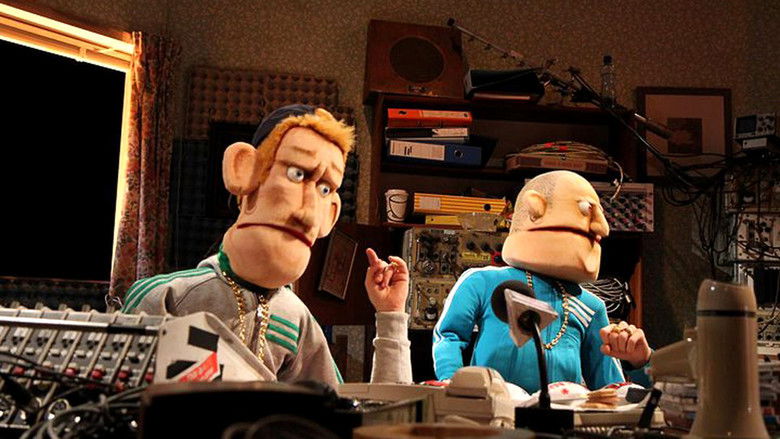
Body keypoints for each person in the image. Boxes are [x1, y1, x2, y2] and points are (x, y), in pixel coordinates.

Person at [121, 105, 411, 386]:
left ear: (332, 213)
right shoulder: (166, 297)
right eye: (297, 174)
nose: (309, 212)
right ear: (244, 170)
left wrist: (391, 315)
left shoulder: (297, 321)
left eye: (325, 189)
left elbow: (347, 411)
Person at [433, 170, 651, 392]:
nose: (602, 228)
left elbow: (612, 389)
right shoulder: (483, 281)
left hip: (559, 412)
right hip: (489, 406)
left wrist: (640, 363)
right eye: (586, 210)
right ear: (536, 207)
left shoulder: (591, 306)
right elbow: (449, 336)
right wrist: (452, 383)